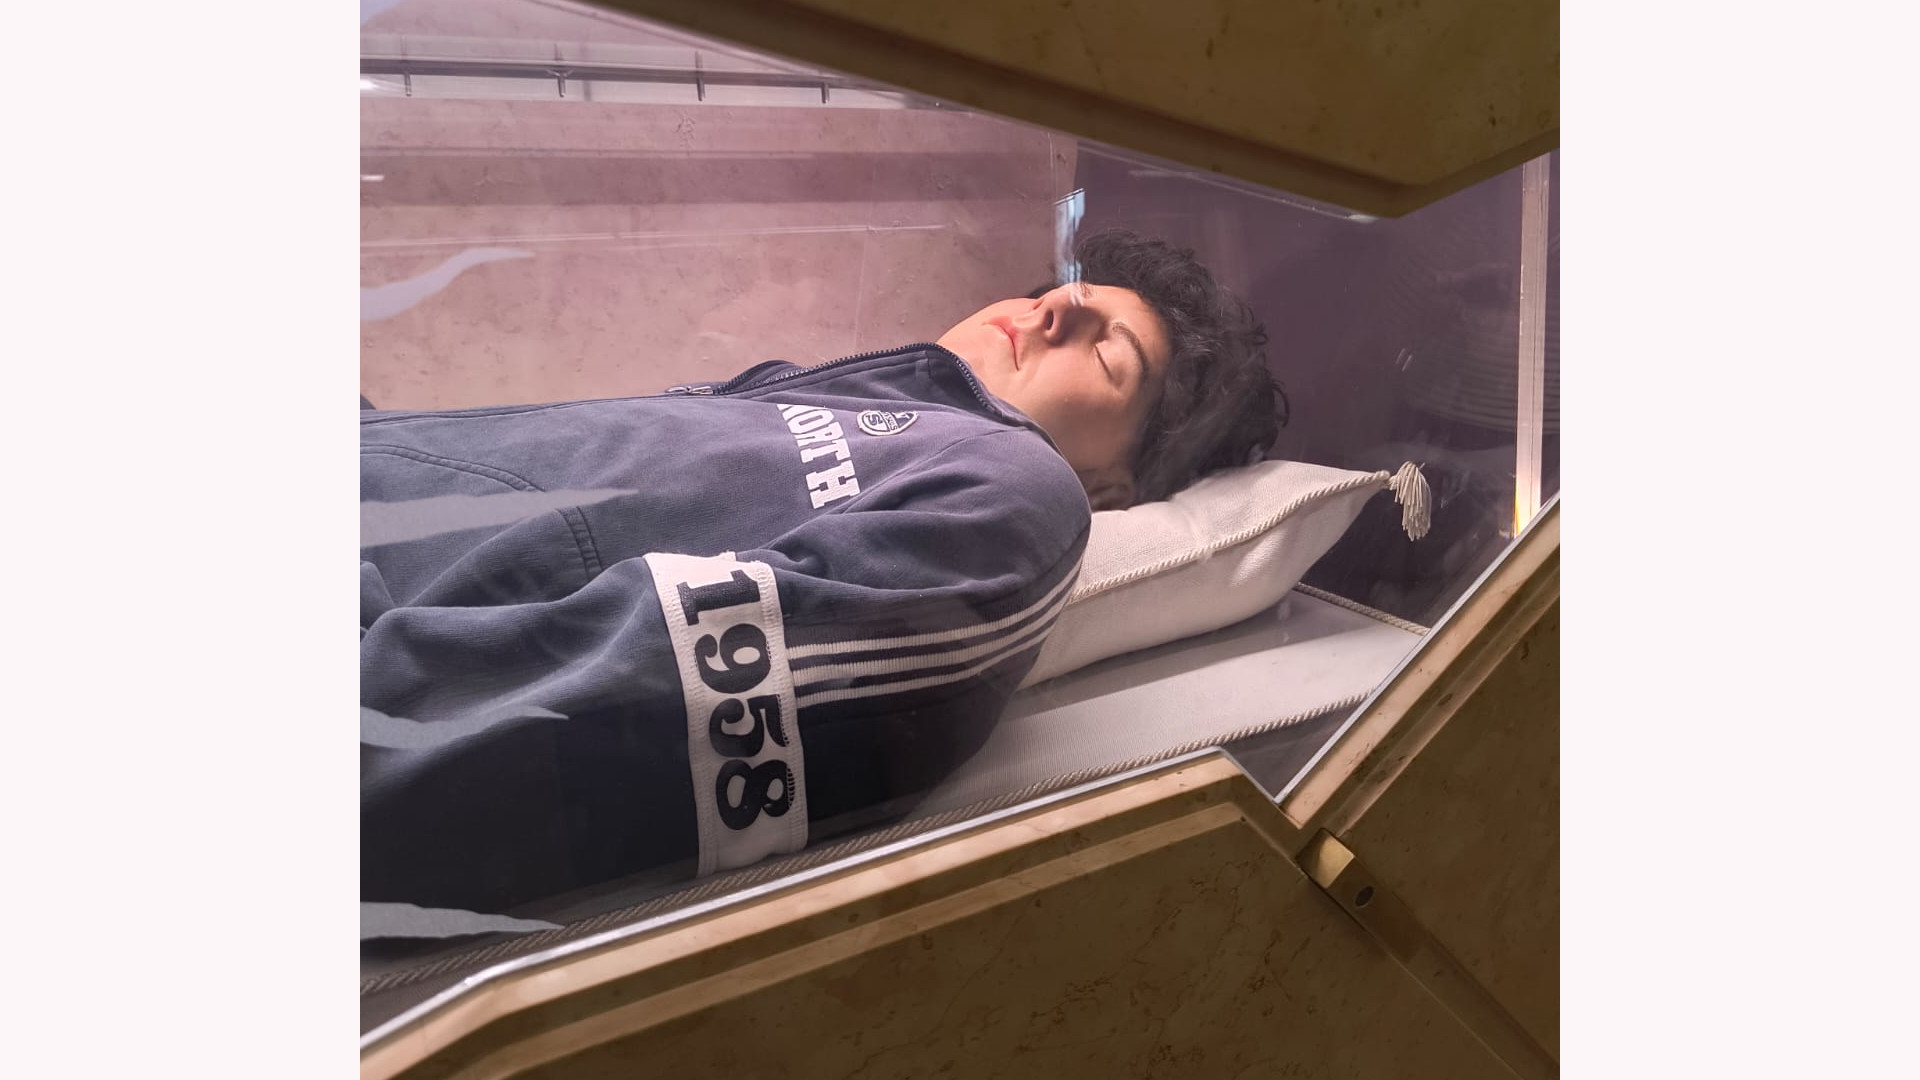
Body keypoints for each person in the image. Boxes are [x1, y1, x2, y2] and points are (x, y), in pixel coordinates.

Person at [361, 229, 1285, 916]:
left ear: (1112, 490)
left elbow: (617, 712)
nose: (1055, 307)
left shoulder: (1018, 494)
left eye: (1108, 351)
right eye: (1064, 291)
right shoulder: (843, 399)